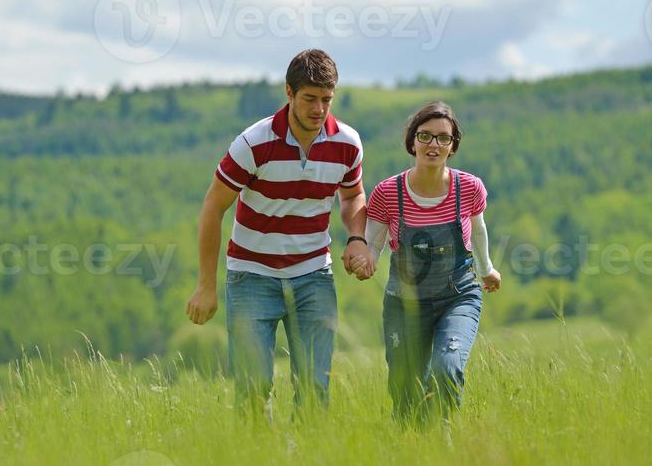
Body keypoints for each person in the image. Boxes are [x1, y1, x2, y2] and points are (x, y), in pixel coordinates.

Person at [186, 49, 372, 413]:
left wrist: (356, 238)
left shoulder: (348, 144)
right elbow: (213, 207)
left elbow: (352, 196)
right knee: (253, 392)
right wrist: (206, 285)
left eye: (326, 100)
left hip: (314, 275)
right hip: (252, 277)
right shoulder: (254, 144)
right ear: (289, 93)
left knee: (316, 387)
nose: (318, 110)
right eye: (309, 99)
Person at [349, 100, 501, 430]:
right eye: (425, 136)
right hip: (404, 303)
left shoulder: (469, 188)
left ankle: (443, 435)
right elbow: (373, 244)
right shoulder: (389, 193)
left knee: (447, 367)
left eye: (443, 138)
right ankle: (410, 450)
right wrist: (366, 262)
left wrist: (487, 269)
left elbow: (478, 228)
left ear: (453, 145)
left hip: (457, 296)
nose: (434, 144)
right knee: (405, 389)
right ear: (412, 141)